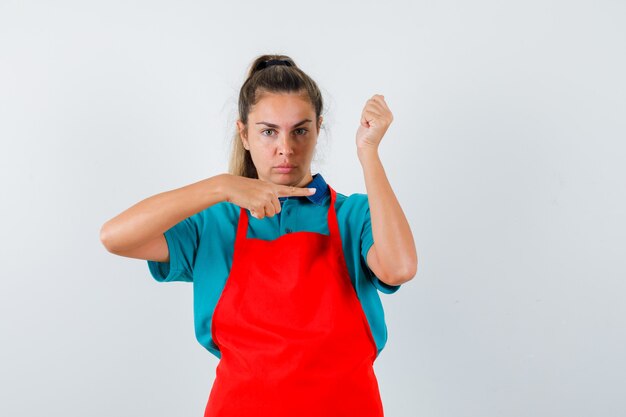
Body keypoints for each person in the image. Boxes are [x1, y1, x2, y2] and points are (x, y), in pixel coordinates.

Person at [100, 54, 417, 417]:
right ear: (244, 134)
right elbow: (114, 236)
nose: (286, 148)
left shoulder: (354, 215)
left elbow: (399, 268)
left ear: (319, 130)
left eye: (300, 130)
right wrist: (222, 186)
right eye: (268, 131)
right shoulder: (213, 223)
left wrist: (369, 152)